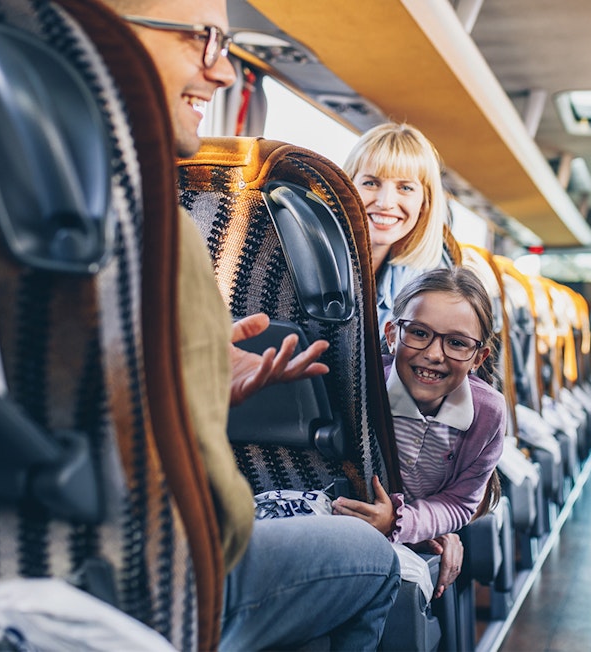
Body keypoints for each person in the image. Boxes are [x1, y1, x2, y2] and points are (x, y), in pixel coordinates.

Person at [108, 0, 402, 649]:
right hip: (147, 578)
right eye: (203, 39)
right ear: (101, 34)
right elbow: (214, 518)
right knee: (373, 560)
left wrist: (199, 384)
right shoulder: (151, 223)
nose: (221, 73)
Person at [332, 268, 505, 599]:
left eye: (457, 343)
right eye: (419, 333)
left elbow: (459, 502)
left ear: (478, 358)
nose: (434, 354)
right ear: (392, 335)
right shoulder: (359, 389)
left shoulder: (488, 413)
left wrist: (400, 522)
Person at [343, 122, 450, 332]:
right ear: (346, 189)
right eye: (371, 183)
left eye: (405, 188)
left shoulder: (421, 284)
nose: (385, 202)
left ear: (425, 202)